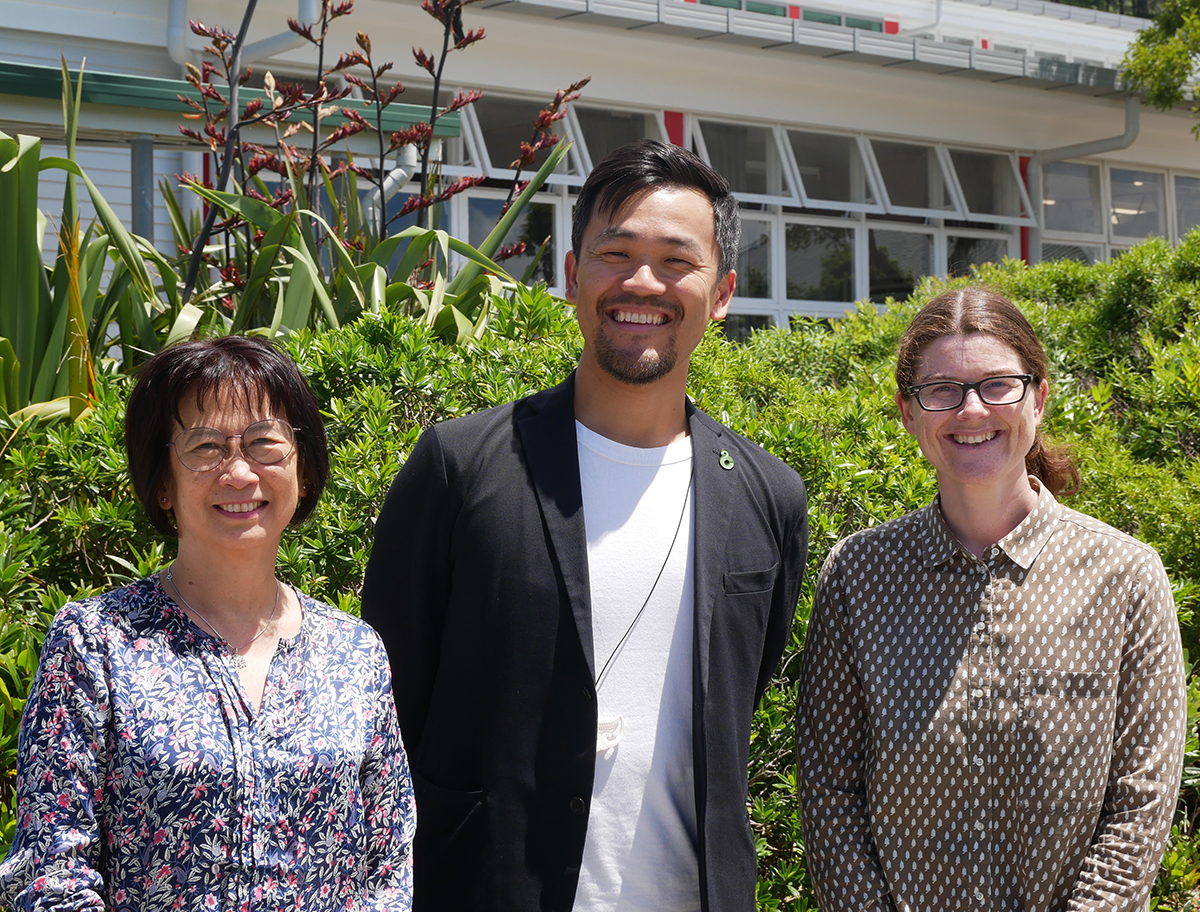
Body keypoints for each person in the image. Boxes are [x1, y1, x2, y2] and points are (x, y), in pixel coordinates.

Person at [361, 139, 809, 912]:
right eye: (616, 254)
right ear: (572, 276)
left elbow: (744, 680)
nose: (644, 282)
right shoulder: (461, 468)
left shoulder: (768, 496)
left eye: (677, 261)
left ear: (724, 293)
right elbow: (389, 707)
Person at [796, 286, 1185, 912]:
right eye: (942, 390)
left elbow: (1141, 798)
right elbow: (827, 789)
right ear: (907, 412)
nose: (971, 409)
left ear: (1038, 398)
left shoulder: (1126, 576)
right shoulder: (859, 574)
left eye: (998, 385)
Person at [0, 336, 416, 911]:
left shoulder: (353, 652)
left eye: (265, 443)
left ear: (302, 468)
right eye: (206, 447)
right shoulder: (96, 643)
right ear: (162, 483)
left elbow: (388, 865)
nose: (239, 472)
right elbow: (50, 873)